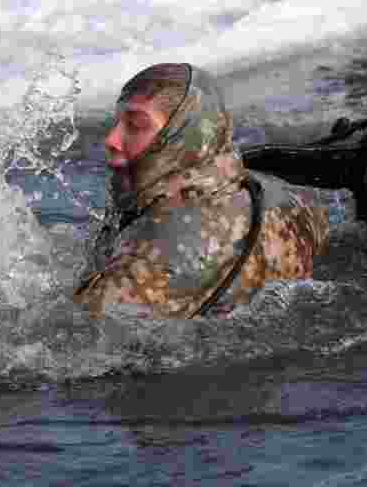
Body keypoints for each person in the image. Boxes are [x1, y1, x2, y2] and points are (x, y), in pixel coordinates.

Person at [74, 63, 330, 318]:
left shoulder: (147, 261)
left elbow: (77, 334)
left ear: (183, 137)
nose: (111, 139)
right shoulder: (295, 199)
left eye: (136, 125)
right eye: (117, 122)